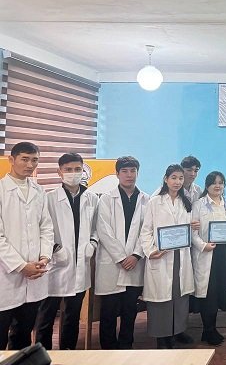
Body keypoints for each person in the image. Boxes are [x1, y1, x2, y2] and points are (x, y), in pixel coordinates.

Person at [35, 153, 99, 350]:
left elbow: (96, 228)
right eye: (68, 169)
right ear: (59, 172)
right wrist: (55, 249)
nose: (73, 173)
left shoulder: (92, 198)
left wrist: (92, 244)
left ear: (83, 171)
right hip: (54, 265)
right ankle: (42, 354)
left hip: (80, 265)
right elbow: (41, 229)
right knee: (46, 317)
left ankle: (68, 353)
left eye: (77, 169)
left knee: (72, 316)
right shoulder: (49, 198)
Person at [0, 142, 54, 350]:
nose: (30, 164)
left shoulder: (39, 191)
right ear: (11, 160)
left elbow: (46, 227)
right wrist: (22, 266)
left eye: (34, 160)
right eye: (25, 159)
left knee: (23, 335)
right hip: (6, 275)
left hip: (35, 274)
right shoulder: (2, 190)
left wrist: (44, 257)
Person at [95, 156, 149, 350]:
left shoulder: (146, 200)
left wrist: (136, 255)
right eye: (125, 171)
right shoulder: (106, 199)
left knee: (129, 310)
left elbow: (147, 231)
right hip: (112, 263)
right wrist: (120, 257)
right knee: (108, 311)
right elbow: (103, 230)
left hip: (135, 263)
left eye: (133, 171)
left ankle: (126, 346)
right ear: (117, 174)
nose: (129, 175)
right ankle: (108, 348)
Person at [140, 164, 195, 349]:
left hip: (181, 256)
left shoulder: (185, 202)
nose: (177, 182)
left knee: (179, 296)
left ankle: (177, 332)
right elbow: (146, 230)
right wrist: (151, 251)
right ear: (166, 179)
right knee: (161, 299)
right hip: (161, 256)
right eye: (174, 178)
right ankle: (161, 337)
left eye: (180, 178)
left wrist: (193, 226)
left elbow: (186, 228)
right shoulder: (155, 201)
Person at [191, 171, 226, 345]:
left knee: (219, 293)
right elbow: (192, 232)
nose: (218, 186)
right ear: (207, 185)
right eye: (214, 183)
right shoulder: (199, 205)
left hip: (222, 254)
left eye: (221, 183)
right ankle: (208, 330)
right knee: (208, 294)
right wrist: (203, 246)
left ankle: (211, 329)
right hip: (206, 253)